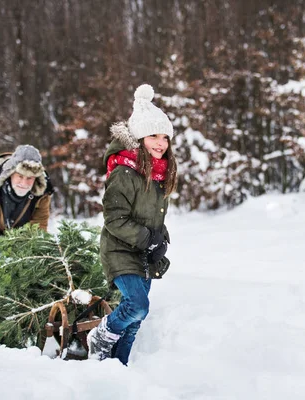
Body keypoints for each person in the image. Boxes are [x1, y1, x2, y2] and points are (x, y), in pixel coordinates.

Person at [87, 84, 177, 365]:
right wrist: (147, 238)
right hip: (120, 251)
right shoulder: (125, 172)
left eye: (164, 137)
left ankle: (117, 369)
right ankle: (100, 336)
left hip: (144, 254)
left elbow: (153, 215)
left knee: (135, 323)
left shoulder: (158, 174)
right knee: (137, 306)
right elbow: (114, 218)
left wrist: (160, 240)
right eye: (153, 136)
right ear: (139, 137)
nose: (160, 143)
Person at [0, 144, 53, 272]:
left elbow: (39, 226)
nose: (24, 184)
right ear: (11, 173)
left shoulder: (43, 192)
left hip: (21, 240)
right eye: (20, 176)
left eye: (29, 178)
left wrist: (27, 257)